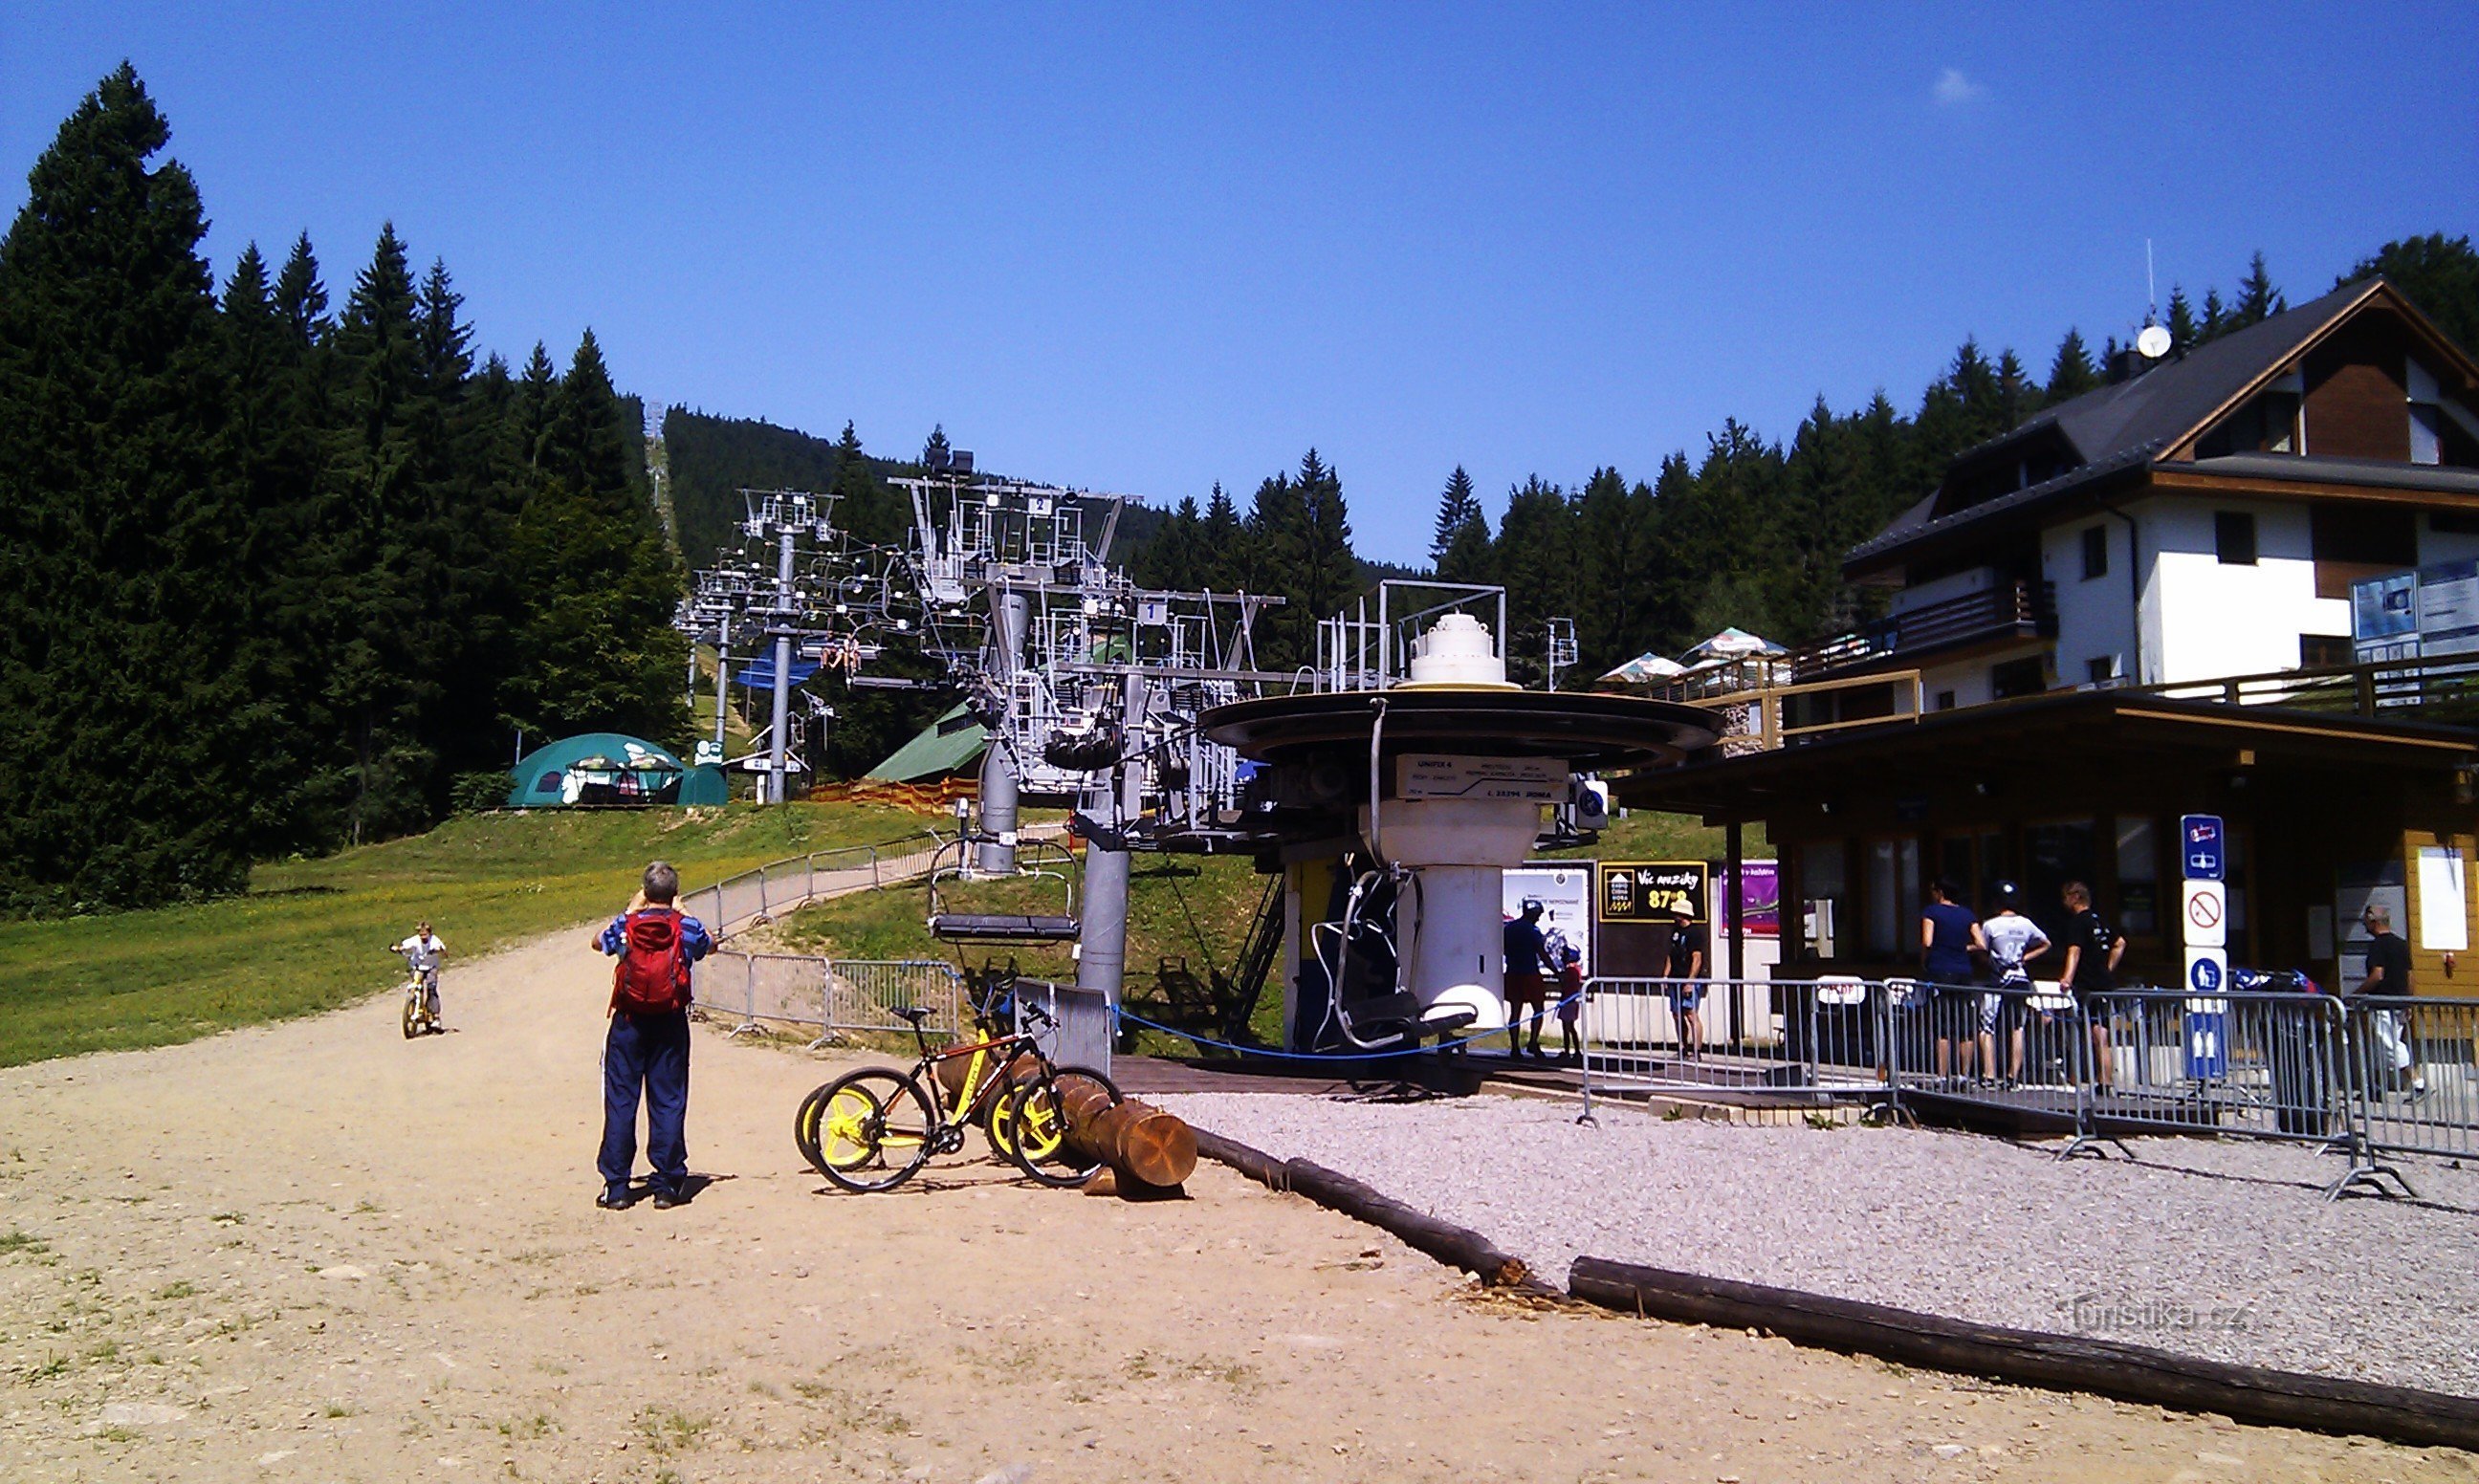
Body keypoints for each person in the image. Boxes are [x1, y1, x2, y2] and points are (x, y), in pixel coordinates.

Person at [593, 861, 713, 1211]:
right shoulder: (685, 927)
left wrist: (630, 909)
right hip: (670, 1023)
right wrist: (684, 910)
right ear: (674, 893)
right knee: (668, 1101)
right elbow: (711, 944)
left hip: (629, 1023)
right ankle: (667, 1183)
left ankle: (617, 1187)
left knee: (620, 1102)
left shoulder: (627, 925)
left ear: (646, 892)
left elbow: (597, 942)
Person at [2352, 903, 2428, 1102]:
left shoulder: (2378, 945)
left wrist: (2356, 994)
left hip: (2382, 1004)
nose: (2364, 924)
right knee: (2383, 1045)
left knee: (2389, 1045)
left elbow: (2377, 975)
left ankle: (2418, 1083)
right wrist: (2409, 1001)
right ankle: (2376, 1087)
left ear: (2373, 920)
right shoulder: (2401, 944)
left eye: (2366, 920)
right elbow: (2410, 975)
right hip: (2399, 1002)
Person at [1978, 882, 2050, 1086]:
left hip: (1997, 979)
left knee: (1986, 1026)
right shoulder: (2026, 924)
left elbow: (1982, 949)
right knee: (2017, 1026)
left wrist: (1990, 960)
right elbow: (2046, 943)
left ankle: (1989, 1074)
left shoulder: (1990, 925)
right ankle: (2012, 1076)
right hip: (2020, 978)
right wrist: (2025, 957)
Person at [2055, 882, 2125, 1090]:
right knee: (2100, 1034)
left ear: (2075, 897)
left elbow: (2074, 951)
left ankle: (2084, 1077)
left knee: (2082, 1031)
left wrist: (2067, 977)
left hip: (2087, 984)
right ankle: (2104, 1080)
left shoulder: (2078, 922)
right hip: (2104, 984)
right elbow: (2120, 943)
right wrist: (2107, 968)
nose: (2063, 902)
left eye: (2065, 897)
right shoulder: (2099, 920)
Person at [1920, 879, 1985, 1081]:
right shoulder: (1967, 914)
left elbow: (1927, 941)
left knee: (1942, 1026)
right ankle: (1964, 1074)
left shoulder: (1932, 912)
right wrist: (1964, 948)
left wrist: (1925, 961)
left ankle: (1941, 1075)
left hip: (1939, 969)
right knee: (1964, 1023)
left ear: (1939, 892)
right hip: (1963, 971)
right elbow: (1981, 943)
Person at [1503, 899, 1554, 1058]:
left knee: (1515, 1011)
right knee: (1538, 1009)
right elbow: (1542, 953)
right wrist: (1556, 972)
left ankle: (1515, 1047)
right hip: (1530, 973)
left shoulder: (1509, 929)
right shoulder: (1533, 931)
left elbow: (1503, 949)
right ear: (1532, 913)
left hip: (1512, 972)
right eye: (1538, 915)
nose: (1539, 918)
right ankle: (1532, 1042)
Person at [1665, 897, 1708, 1058]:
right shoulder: (1675, 932)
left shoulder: (1695, 933)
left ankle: (1697, 1050)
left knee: (1691, 1014)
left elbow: (1697, 958)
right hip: (1674, 978)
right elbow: (1671, 954)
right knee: (1677, 1014)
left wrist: (1690, 981)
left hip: (1688, 979)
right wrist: (1665, 976)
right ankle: (1682, 1047)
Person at [390, 921, 448, 1028]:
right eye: (421, 934)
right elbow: (405, 946)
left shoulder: (434, 940)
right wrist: (398, 948)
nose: (423, 937)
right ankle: (414, 1005)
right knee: (416, 985)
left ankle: (435, 1016)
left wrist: (438, 950)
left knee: (431, 987)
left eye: (425, 934)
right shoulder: (415, 940)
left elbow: (443, 951)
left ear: (429, 933)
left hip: (431, 967)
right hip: (418, 967)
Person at [1548, 929, 1586, 1063]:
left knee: (1568, 1027)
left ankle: (1571, 1051)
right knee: (1569, 1027)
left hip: (1568, 1002)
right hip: (1569, 1001)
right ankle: (1572, 1051)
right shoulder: (1575, 970)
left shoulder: (1571, 971)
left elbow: (1566, 985)